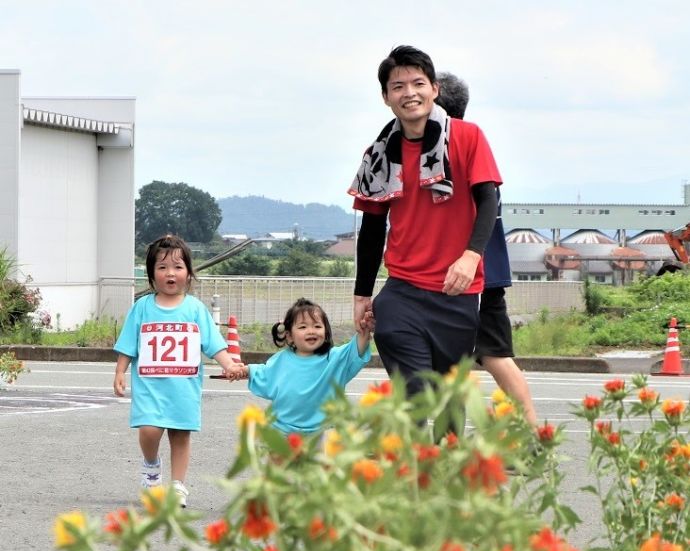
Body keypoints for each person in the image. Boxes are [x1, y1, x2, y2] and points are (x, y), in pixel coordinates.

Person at [349, 45, 499, 398]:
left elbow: (487, 199)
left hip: (457, 289)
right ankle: (409, 452)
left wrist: (471, 255)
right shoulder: (379, 155)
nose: (409, 93)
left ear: (435, 89)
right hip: (402, 290)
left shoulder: (467, 136)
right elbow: (371, 230)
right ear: (386, 97)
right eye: (398, 86)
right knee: (414, 395)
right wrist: (362, 294)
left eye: (418, 83)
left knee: (449, 401)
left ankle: (446, 454)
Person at [435, 72, 537, 427]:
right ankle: (448, 438)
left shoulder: (458, 147)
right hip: (482, 273)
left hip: (473, 277)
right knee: (477, 355)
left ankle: (526, 436)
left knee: (492, 354)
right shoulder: (459, 147)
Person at [113, 234, 238, 508]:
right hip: (149, 386)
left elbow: (213, 343)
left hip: (184, 387)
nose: (170, 273)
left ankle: (178, 485)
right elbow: (128, 344)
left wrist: (228, 364)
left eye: (178, 267)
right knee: (148, 429)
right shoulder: (142, 308)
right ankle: (151, 468)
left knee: (180, 435)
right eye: (162, 267)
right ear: (151, 275)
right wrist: (120, 371)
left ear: (189, 273)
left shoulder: (195, 309)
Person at [225, 298, 372, 434]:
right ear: (289, 336)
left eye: (317, 326)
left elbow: (358, 345)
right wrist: (244, 371)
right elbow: (264, 372)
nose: (311, 331)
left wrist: (365, 327)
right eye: (303, 327)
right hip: (283, 432)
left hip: (324, 433)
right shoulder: (281, 359)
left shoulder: (336, 358)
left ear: (326, 331)